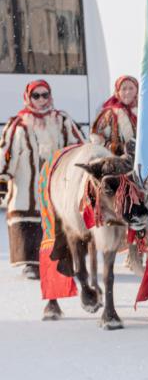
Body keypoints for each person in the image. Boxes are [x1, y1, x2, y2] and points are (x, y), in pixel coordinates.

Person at [0, 80, 85, 278]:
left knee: (60, 222)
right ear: (28, 98)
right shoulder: (18, 123)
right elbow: (7, 152)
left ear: (50, 96)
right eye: (36, 95)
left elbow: (79, 145)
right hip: (26, 183)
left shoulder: (62, 120)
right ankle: (31, 264)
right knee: (30, 222)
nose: (41, 99)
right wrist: (3, 175)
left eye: (44, 95)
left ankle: (61, 261)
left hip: (57, 182)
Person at [91, 75, 138, 157]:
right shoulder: (109, 113)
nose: (127, 92)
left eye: (131, 88)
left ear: (137, 90)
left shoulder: (143, 111)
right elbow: (97, 139)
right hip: (115, 161)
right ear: (118, 92)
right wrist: (121, 148)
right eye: (124, 89)